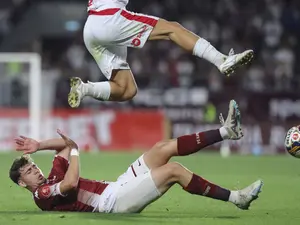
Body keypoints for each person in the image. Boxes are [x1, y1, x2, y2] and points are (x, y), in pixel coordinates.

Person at [9, 100, 263, 213]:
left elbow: (63, 147)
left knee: (161, 148)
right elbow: (70, 183)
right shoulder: (40, 195)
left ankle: (226, 131)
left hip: (117, 187)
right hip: (113, 204)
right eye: (29, 172)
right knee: (173, 170)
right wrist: (74, 149)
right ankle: (236, 198)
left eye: (33, 167)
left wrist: (40, 144)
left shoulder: (51, 175)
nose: (36, 171)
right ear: (22, 183)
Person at [67, 0, 254, 108]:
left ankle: (84, 89)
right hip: (110, 19)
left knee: (127, 89)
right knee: (173, 29)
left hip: (91, 28)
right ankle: (221, 60)